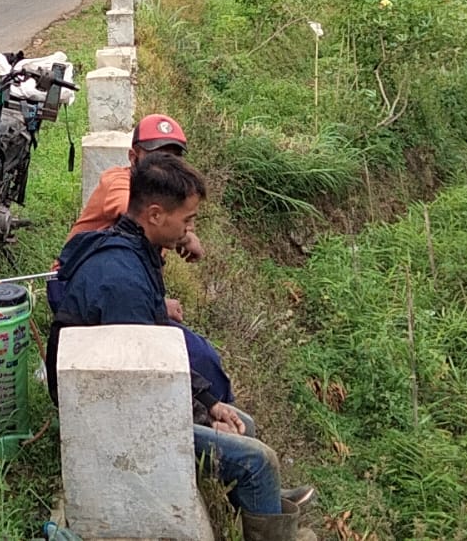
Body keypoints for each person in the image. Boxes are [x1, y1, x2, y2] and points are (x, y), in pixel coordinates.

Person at [46, 152, 316, 541]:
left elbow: (147, 350)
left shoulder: (130, 248)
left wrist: (209, 404)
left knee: (243, 425)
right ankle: (269, 511)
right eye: (187, 221)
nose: (189, 231)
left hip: (123, 393)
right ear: (155, 214)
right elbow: (145, 389)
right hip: (110, 421)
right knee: (258, 460)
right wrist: (205, 413)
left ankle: (265, 504)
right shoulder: (123, 281)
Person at [64, 113, 234, 402]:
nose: (166, 167)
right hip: (93, 292)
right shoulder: (123, 186)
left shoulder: (147, 232)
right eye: (157, 157)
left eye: (174, 159)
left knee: (201, 356)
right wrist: (183, 234)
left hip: (119, 290)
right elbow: (125, 207)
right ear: (134, 157)